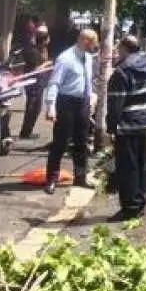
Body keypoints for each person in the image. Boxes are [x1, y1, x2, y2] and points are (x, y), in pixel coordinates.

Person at [106, 35, 146, 221]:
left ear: (124, 49)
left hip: (126, 126)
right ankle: (140, 201)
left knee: (127, 167)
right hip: (144, 123)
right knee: (140, 164)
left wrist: (111, 128)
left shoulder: (121, 72)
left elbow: (115, 105)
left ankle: (129, 207)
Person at [43, 29, 99, 194]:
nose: (95, 46)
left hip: (82, 102)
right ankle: (51, 179)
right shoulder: (65, 58)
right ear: (84, 41)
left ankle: (80, 177)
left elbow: (88, 80)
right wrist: (51, 106)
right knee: (60, 142)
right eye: (93, 42)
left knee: (81, 142)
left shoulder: (88, 58)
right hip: (65, 102)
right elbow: (54, 83)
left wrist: (91, 98)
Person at [18, 26, 52, 139]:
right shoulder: (33, 51)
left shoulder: (44, 49)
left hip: (40, 82)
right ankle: (25, 132)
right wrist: (47, 64)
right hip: (33, 83)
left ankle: (28, 131)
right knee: (33, 107)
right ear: (44, 39)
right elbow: (36, 69)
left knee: (37, 107)